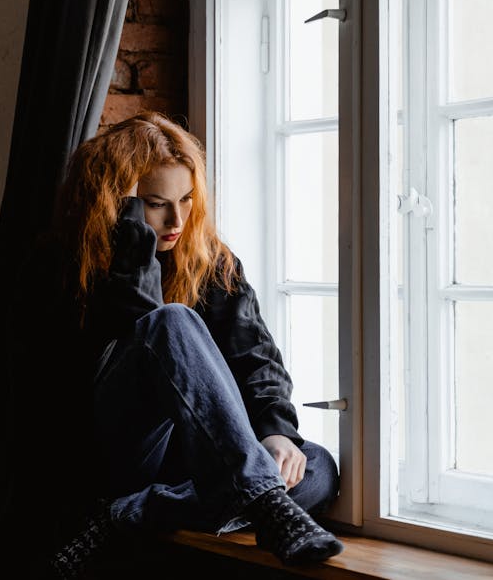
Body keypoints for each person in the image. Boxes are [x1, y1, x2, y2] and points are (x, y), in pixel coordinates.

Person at [35, 111, 343, 578]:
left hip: (196, 463)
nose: (177, 219)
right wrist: (133, 247)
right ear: (116, 205)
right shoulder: (69, 266)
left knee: (316, 466)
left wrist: (276, 431)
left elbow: (255, 359)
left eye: (186, 199)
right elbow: (118, 353)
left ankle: (130, 515)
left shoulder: (209, 259)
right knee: (171, 321)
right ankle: (253, 497)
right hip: (116, 452)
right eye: (157, 204)